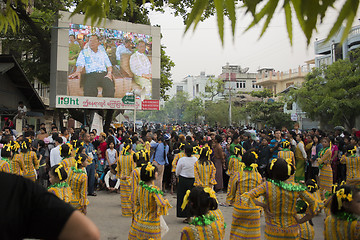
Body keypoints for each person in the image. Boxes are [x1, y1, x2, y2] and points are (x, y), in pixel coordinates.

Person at [0, 172, 100, 239]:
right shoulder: (17, 188)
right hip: (72, 208)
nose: (49, 179)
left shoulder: (51, 190)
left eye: (50, 177)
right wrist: (84, 204)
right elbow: (87, 233)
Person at [246, 158, 317, 239]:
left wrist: (263, 206)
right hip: (292, 231)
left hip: (273, 231)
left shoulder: (267, 186)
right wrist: (302, 219)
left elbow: (247, 197)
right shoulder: (296, 187)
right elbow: (314, 203)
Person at [128, 163, 171, 240]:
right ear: (152, 175)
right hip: (152, 226)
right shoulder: (154, 190)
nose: (157, 173)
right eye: (155, 172)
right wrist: (166, 201)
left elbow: (136, 203)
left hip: (140, 223)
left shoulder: (139, 187)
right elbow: (162, 204)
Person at [176, 144, 198, 223]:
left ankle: (186, 215)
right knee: (192, 198)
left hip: (183, 180)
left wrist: (177, 175)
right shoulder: (195, 159)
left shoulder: (182, 159)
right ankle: (191, 215)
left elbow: (177, 171)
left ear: (184, 151)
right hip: (193, 180)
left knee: (183, 198)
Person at [116, 139, 135, 217]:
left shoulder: (120, 157)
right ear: (130, 149)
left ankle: (125, 212)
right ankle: (130, 211)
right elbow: (133, 169)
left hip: (122, 178)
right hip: (129, 178)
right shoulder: (131, 157)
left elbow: (118, 168)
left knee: (124, 196)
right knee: (130, 195)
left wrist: (119, 176)